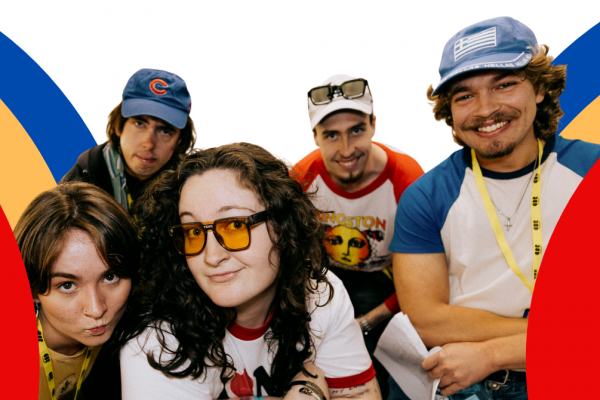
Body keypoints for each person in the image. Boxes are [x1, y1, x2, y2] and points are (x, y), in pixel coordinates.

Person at [388, 16, 600, 399]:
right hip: (460, 375)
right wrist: (564, 334)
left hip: (566, 366)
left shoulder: (591, 172)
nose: (486, 109)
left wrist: (494, 353)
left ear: (539, 88)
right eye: (464, 96)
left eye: (504, 85)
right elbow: (425, 320)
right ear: (449, 111)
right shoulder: (426, 195)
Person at [119, 143, 381, 400]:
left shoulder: (319, 292)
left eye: (235, 225)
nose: (212, 256)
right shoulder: (156, 340)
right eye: (193, 231)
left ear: (283, 225)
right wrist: (308, 393)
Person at [292, 74, 424, 396]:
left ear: (373, 125)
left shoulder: (407, 179)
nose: (346, 149)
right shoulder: (302, 178)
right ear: (315, 137)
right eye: (331, 135)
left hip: (389, 277)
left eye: (356, 130)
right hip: (323, 275)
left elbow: (423, 279)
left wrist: (365, 323)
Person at [14, 182, 140, 400]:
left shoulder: (129, 329)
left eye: (110, 277)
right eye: (67, 285)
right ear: (32, 289)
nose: (96, 309)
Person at [61, 68, 196, 211]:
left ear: (180, 140)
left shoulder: (194, 184)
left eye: (165, 131)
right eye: (139, 124)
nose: (148, 144)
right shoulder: (79, 182)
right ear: (118, 126)